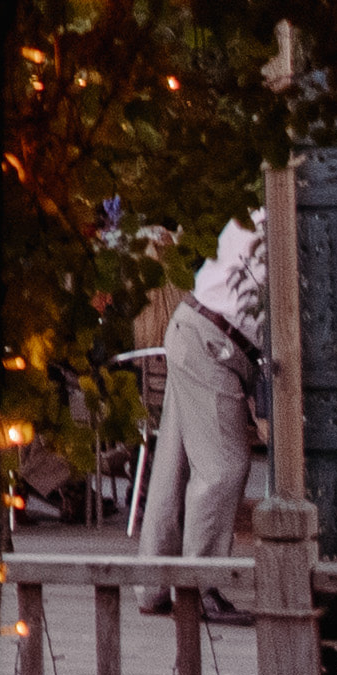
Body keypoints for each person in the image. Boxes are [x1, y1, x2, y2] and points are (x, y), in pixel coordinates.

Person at [129, 198, 279, 599]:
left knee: (174, 467)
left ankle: (154, 587)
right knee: (223, 467)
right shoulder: (278, 223)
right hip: (214, 340)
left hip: (196, 327)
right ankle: (201, 588)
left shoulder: (257, 212)